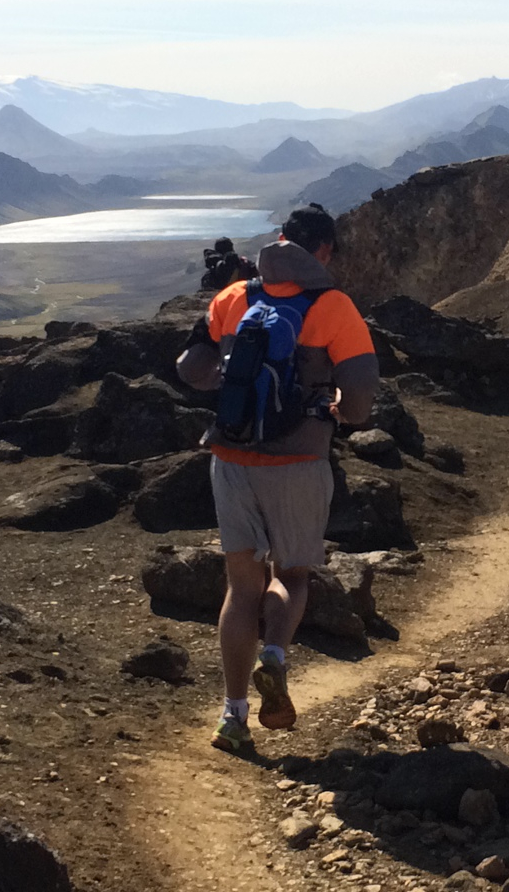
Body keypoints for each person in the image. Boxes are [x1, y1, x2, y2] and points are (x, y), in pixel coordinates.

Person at [175, 203, 379, 752]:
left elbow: (189, 372)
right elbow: (360, 397)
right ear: (325, 251)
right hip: (299, 465)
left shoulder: (233, 297)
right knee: (292, 574)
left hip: (232, 460)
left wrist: (231, 380)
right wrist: (339, 411)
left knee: (241, 590)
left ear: (281, 241)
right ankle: (275, 655)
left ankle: (233, 717)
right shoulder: (333, 306)